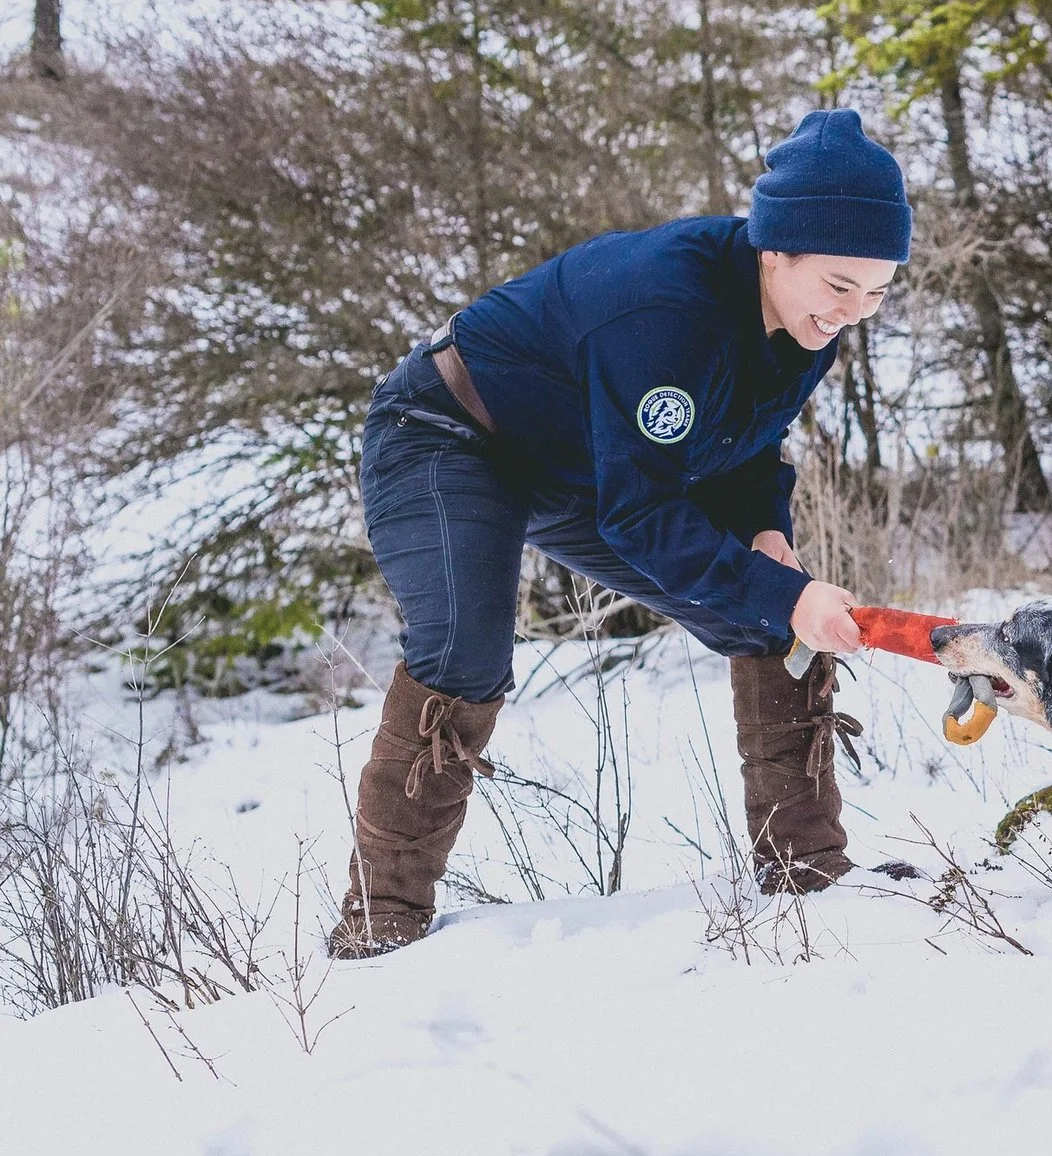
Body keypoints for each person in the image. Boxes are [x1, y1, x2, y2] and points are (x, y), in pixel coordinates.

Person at [328, 109, 907, 959]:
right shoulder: (665, 310)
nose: (853, 312)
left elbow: (747, 443)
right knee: (466, 650)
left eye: (877, 292)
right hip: (449, 433)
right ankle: (379, 924)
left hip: (586, 465)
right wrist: (789, 592)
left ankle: (808, 872)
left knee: (763, 615)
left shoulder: (805, 320)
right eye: (839, 286)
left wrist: (764, 534)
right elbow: (640, 517)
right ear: (774, 248)